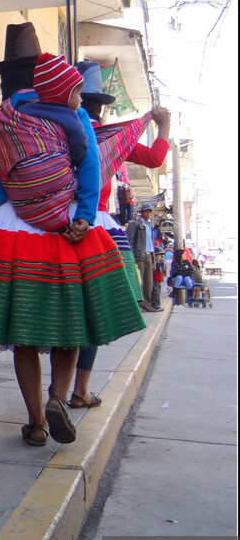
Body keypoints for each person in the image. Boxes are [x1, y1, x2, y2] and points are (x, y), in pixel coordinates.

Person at [0, 22, 145, 448]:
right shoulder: (71, 114)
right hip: (66, 229)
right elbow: (91, 167)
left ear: (4, 80)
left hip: (9, 231)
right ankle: (59, 396)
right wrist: (84, 217)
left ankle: (36, 422)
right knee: (71, 325)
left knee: (24, 331)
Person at [67, 62, 172, 408]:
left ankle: (51, 394)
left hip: (56, 225)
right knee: (95, 307)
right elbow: (156, 158)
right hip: (95, 228)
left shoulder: (56, 132)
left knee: (61, 306)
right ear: (101, 107)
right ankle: (79, 389)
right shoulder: (112, 138)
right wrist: (164, 125)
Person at [0, 51, 88, 233]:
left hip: (15, 208)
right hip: (59, 209)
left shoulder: (14, 115)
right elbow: (81, 154)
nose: (81, 99)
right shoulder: (72, 117)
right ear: (64, 92)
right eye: (78, 93)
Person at [125, 203, 160, 312]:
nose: (148, 213)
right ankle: (138, 305)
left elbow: (151, 245)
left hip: (149, 255)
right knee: (138, 281)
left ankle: (147, 304)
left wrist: (154, 261)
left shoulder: (150, 226)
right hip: (139, 256)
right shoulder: (135, 224)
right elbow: (128, 241)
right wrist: (130, 257)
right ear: (142, 212)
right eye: (146, 211)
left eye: (150, 211)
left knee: (148, 282)